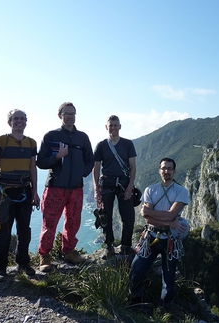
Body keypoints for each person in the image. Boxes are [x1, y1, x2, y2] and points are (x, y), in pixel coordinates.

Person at [36, 102, 94, 272]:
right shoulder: (51, 136)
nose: (70, 116)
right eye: (66, 113)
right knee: (50, 222)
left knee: (73, 221)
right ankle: (45, 255)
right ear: (59, 115)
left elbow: (90, 160)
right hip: (55, 187)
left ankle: (69, 251)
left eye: (73, 113)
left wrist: (81, 172)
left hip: (76, 187)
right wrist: (56, 158)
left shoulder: (82, 137)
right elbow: (40, 162)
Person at [0, 109, 40, 282]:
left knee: (25, 230)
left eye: (22, 119)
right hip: (5, 193)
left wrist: (35, 192)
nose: (19, 121)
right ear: (10, 122)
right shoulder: (1, 141)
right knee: (2, 232)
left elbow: (32, 168)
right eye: (16, 119)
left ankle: (23, 263)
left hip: (24, 191)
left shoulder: (31, 143)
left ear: (26, 122)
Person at [129, 157, 189, 308]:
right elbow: (146, 217)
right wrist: (170, 223)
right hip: (151, 236)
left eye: (169, 168)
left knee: (168, 280)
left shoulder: (181, 191)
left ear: (174, 171)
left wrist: (152, 213)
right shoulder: (150, 190)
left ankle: (165, 309)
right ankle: (136, 302)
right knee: (136, 269)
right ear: (159, 170)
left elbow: (168, 213)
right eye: (164, 168)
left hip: (170, 241)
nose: (166, 171)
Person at [93, 115, 137, 259]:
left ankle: (126, 246)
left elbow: (133, 167)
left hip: (124, 183)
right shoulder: (101, 145)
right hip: (107, 183)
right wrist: (96, 190)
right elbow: (96, 168)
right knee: (106, 216)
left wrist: (130, 187)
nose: (113, 127)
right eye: (110, 125)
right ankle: (109, 246)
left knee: (128, 216)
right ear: (106, 127)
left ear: (120, 126)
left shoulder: (128, 144)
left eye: (115, 125)